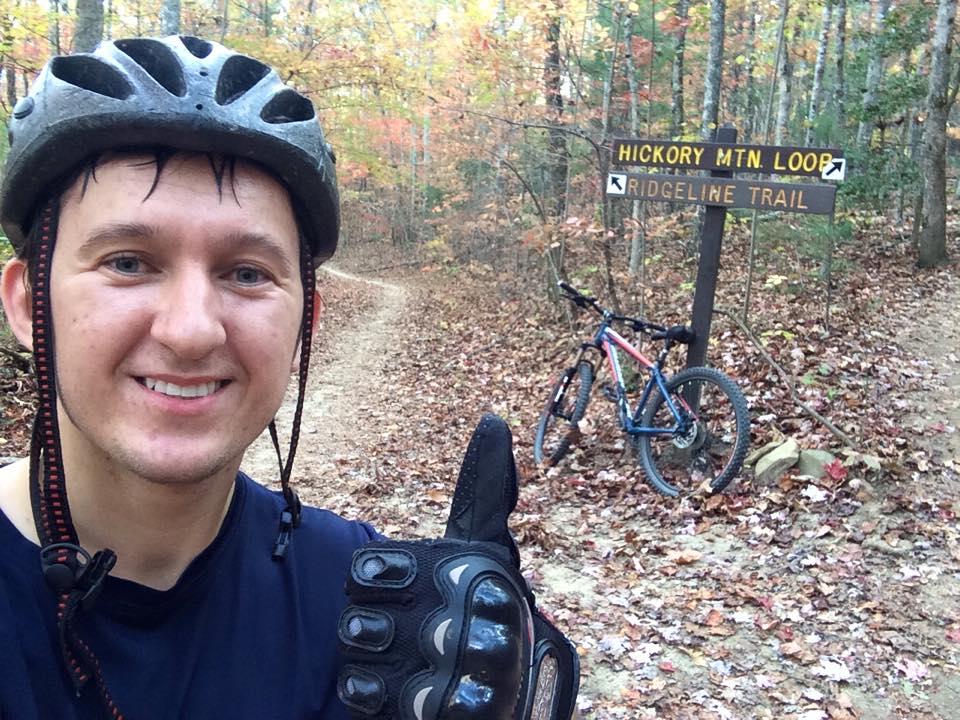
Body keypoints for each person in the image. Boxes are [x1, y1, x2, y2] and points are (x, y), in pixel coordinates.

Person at [0, 35, 578, 719]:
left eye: (247, 274)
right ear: (28, 305)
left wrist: (530, 682)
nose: (191, 330)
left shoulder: (372, 607)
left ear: (306, 321)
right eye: (128, 261)